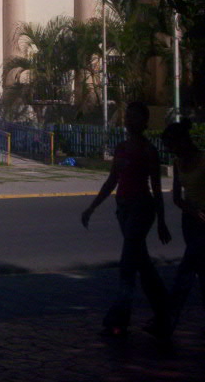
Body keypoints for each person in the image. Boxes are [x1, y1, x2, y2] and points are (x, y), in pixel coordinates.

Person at [81, 101, 171, 336]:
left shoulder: (148, 150)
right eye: (128, 117)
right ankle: (164, 311)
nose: (130, 121)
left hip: (142, 209)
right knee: (142, 263)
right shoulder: (121, 148)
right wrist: (92, 207)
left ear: (145, 122)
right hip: (123, 209)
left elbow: (156, 187)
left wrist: (161, 221)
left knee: (128, 265)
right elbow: (111, 181)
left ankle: (118, 318)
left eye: (135, 118)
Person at [161, 119, 205, 329]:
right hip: (191, 221)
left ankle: (168, 320)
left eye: (172, 145)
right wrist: (192, 211)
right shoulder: (178, 164)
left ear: (182, 141)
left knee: (187, 271)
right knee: (196, 269)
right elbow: (177, 197)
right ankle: (168, 320)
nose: (171, 151)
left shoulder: (203, 159)